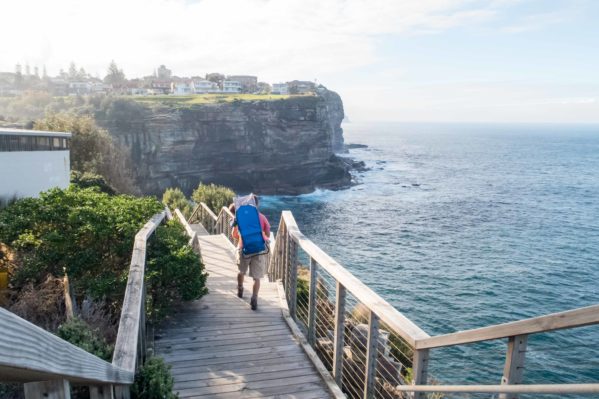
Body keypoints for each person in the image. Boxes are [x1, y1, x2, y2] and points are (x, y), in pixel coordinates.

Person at [232, 195, 270, 310]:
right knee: (256, 277)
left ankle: (240, 288)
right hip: (258, 249)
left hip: (244, 249)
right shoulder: (262, 217)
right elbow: (267, 235)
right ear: (256, 204)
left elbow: (234, 235)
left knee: (241, 271)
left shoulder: (239, 217)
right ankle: (254, 298)